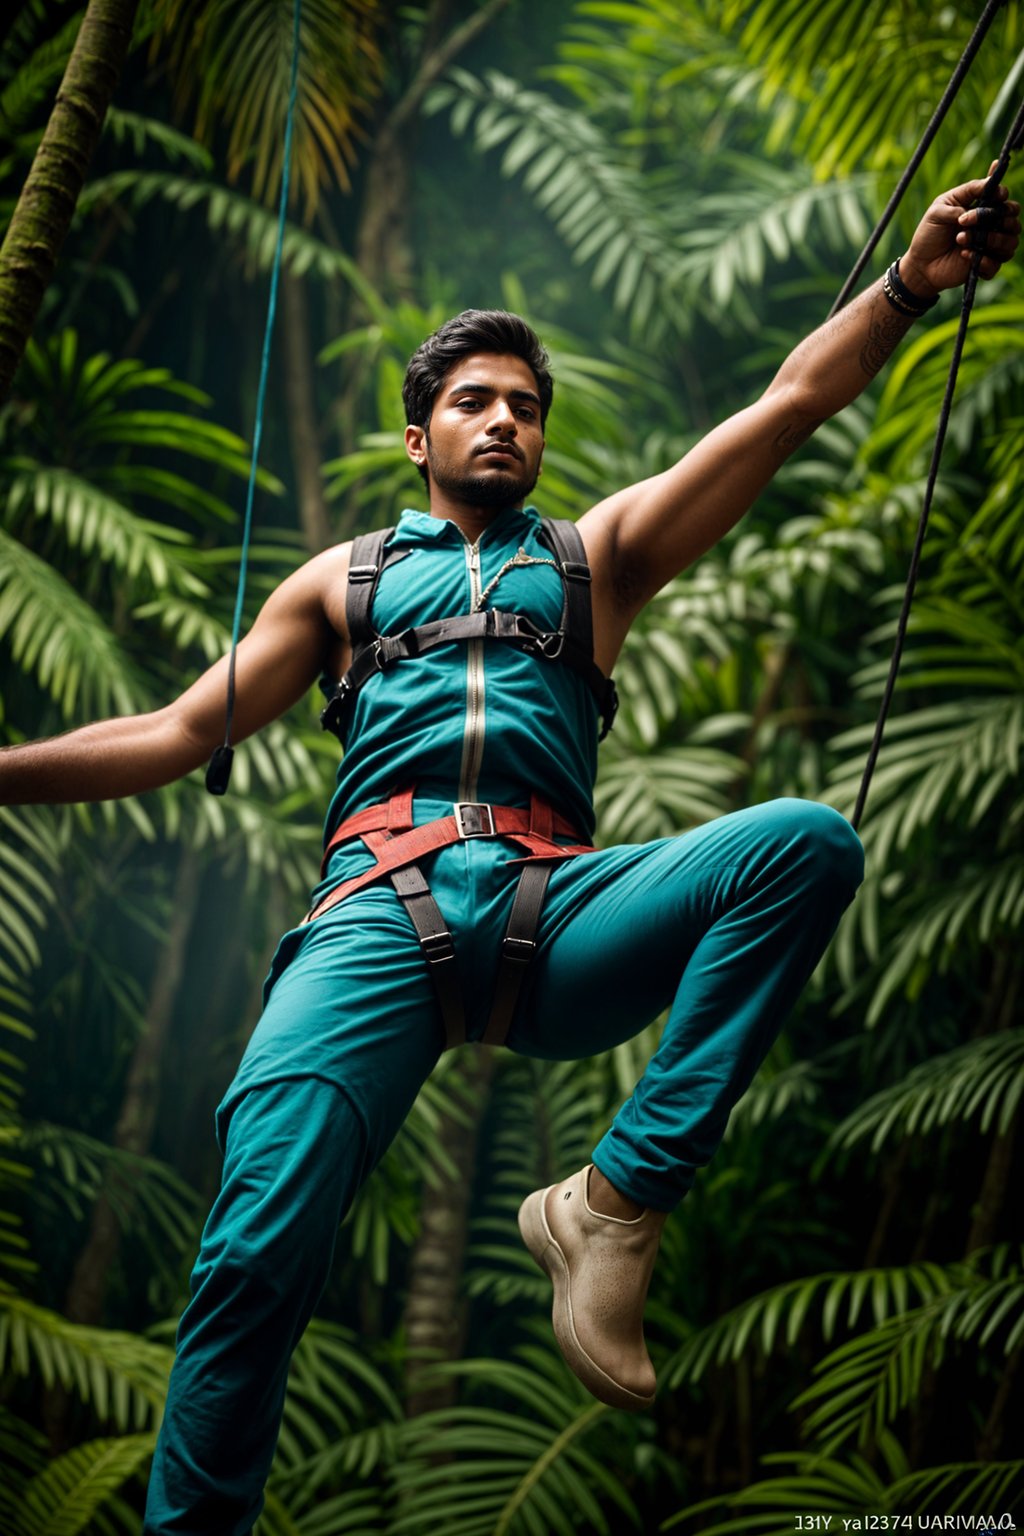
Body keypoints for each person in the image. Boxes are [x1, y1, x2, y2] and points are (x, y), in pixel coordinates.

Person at [1, 173, 1018, 1534]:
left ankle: (614, 1203)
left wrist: (908, 285)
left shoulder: (597, 560)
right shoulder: (343, 582)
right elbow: (181, 729)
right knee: (253, 1252)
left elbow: (784, 409)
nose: (505, 422)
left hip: (552, 909)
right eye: (476, 402)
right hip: (377, 913)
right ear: (417, 434)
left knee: (805, 846)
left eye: (525, 407)